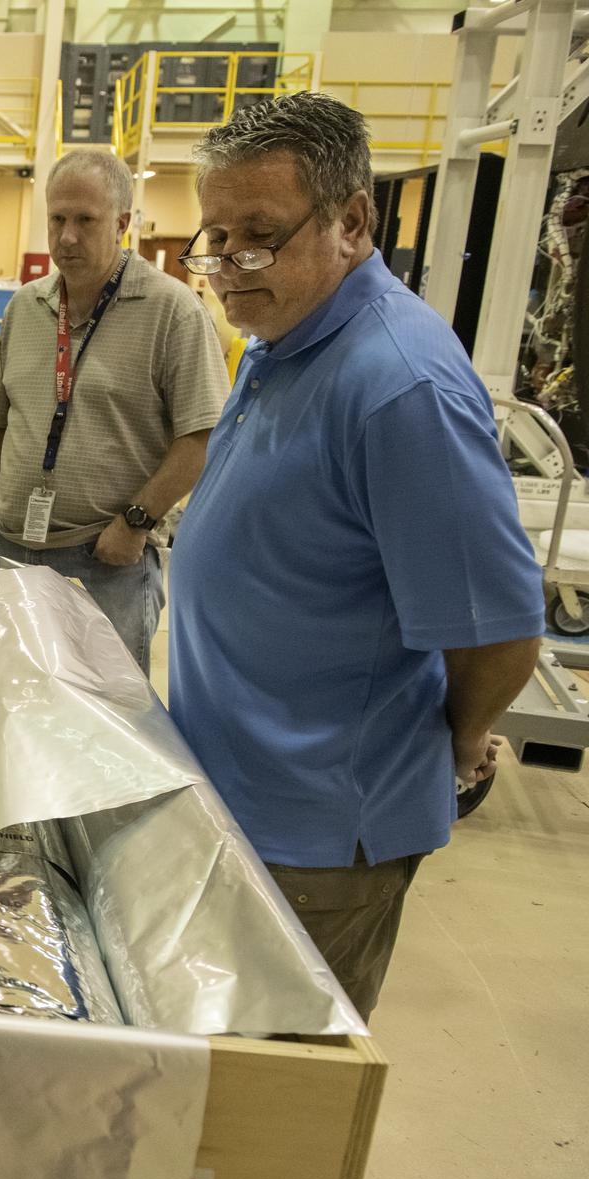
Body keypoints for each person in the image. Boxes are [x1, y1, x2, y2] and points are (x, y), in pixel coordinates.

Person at [169, 93, 545, 1020]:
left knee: (273, 1102)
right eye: (213, 236)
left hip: (320, 838)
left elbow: (498, 632)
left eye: (256, 234)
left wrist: (456, 741)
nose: (225, 266)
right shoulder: (283, 331)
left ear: (352, 221)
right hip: (245, 796)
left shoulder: (397, 388)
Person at [0, 148, 230, 674]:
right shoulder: (27, 307)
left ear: (122, 224)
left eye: (85, 221)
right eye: (57, 219)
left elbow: (202, 436)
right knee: (7, 692)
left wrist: (136, 523)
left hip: (104, 561)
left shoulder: (172, 312)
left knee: (104, 715)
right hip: (9, 550)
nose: (67, 237)